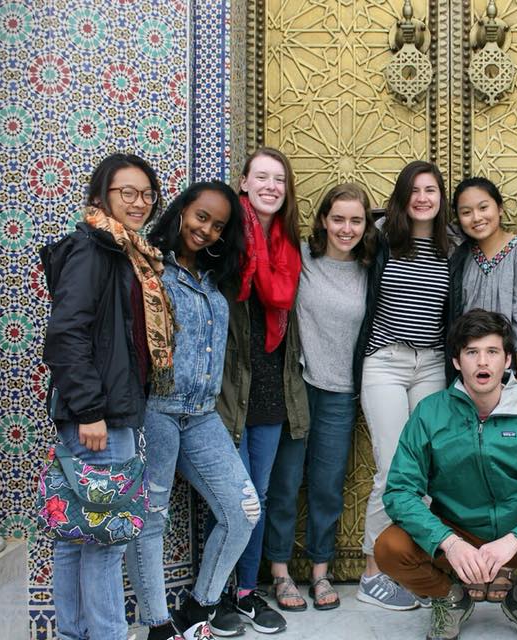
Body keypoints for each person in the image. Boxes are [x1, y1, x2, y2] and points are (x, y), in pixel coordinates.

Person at [375, 309, 517, 640]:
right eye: (472, 352)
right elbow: (399, 492)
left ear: (507, 360)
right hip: (457, 535)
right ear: (456, 362)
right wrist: (448, 543)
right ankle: (450, 599)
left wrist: (516, 539)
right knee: (389, 547)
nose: (483, 362)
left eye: (492, 352)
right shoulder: (430, 412)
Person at [41, 153, 170, 640]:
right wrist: (91, 410)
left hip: (100, 413)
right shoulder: (93, 250)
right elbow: (66, 335)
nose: (139, 203)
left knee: (77, 535)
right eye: (127, 193)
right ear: (101, 197)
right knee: (105, 538)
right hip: (97, 418)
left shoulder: (126, 252)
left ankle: (76, 634)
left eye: (146, 194)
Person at [121, 181, 255, 640]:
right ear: (181, 212)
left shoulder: (214, 277)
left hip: (201, 414)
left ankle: (199, 607)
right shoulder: (150, 268)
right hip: (155, 410)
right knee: (151, 518)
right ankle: (159, 627)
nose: (208, 231)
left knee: (243, 511)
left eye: (219, 226)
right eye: (202, 217)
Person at [263, 183, 378, 611]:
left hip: (341, 393)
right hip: (297, 386)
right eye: (338, 219)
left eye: (356, 220)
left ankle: (320, 572)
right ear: (323, 221)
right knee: (286, 481)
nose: (346, 228)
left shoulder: (371, 269)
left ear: (366, 225)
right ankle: (279, 572)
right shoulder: (302, 260)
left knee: (328, 487)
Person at [352, 160, 454, 610]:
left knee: (428, 472)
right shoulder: (381, 236)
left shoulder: (454, 246)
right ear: (401, 195)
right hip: (385, 362)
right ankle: (372, 571)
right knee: (393, 470)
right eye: (414, 190)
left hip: (431, 364)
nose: (422, 198)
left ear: (440, 197)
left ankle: (414, 570)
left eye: (431, 189)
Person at [217, 147, 308, 635]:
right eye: (263, 177)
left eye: (280, 179)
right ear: (245, 183)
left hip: (272, 384)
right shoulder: (227, 236)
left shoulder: (288, 244)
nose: (272, 185)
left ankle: (248, 591)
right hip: (231, 387)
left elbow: (283, 300)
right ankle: (215, 594)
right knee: (233, 495)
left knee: (261, 492)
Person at [448, 176, 517, 383]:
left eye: (483, 207)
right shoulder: (462, 253)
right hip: (468, 366)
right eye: (466, 212)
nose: (476, 217)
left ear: (499, 208)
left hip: (506, 365)